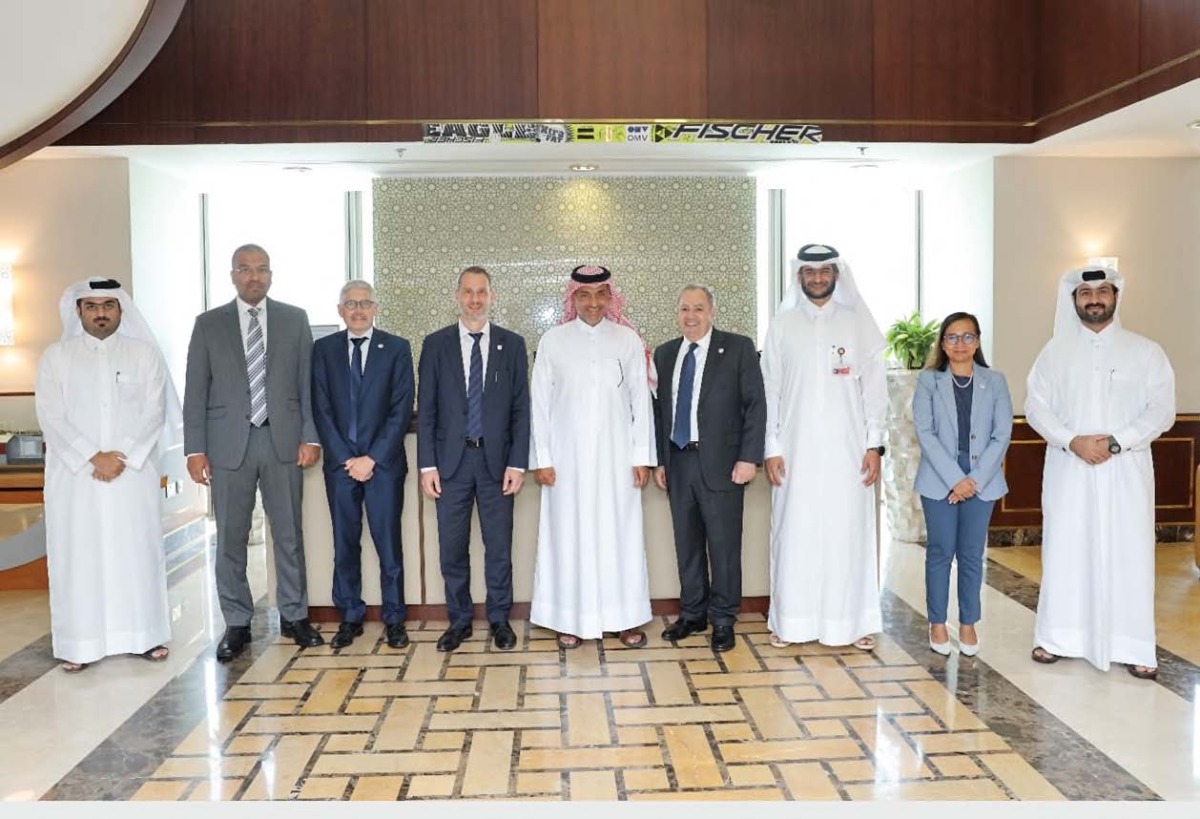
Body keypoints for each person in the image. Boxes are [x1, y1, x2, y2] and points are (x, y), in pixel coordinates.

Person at [1025, 266, 1174, 680]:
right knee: (1066, 550)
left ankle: (1135, 644)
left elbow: (1162, 409)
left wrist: (1114, 442)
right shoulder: (1053, 354)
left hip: (1124, 472)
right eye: (1085, 292)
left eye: (1102, 291)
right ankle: (1058, 636)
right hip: (1069, 469)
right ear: (1073, 300)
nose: (1094, 299)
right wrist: (1073, 440)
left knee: (1130, 554)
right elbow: (1036, 407)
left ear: (1115, 296)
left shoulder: (1146, 352)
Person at [183, 244, 324, 661]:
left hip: (281, 441)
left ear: (271, 274)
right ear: (232, 275)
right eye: (245, 270)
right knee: (230, 537)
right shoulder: (208, 324)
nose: (254, 277)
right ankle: (237, 622)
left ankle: (295, 616)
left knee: (289, 535)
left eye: (261, 269)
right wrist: (195, 449)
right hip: (228, 445)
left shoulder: (294, 320)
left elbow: (307, 385)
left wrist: (310, 437)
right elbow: (196, 391)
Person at [35, 278, 178, 673]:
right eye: (92, 306)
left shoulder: (144, 355)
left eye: (109, 306)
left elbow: (155, 412)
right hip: (75, 477)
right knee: (78, 556)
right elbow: (51, 416)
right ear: (78, 311)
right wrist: (91, 457)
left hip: (131, 475)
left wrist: (123, 457)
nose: (101, 313)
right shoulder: (56, 357)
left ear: (120, 311)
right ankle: (78, 643)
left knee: (134, 552)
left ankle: (144, 636)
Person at [761, 243, 886, 651]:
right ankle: (789, 622)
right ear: (799, 276)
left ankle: (853, 622)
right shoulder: (782, 326)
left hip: (848, 454)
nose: (817, 278)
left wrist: (874, 446)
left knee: (847, 534)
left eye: (824, 271)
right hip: (793, 454)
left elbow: (875, 391)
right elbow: (770, 392)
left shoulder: (857, 324)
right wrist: (771, 447)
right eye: (809, 272)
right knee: (793, 534)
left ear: (836, 274)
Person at [529, 264, 656, 650]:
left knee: (620, 536)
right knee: (568, 536)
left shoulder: (628, 340)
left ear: (610, 297)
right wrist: (544, 458)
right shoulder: (553, 340)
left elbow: (640, 403)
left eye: (601, 294)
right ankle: (569, 619)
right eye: (584, 295)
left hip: (618, 461)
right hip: (566, 463)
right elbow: (540, 404)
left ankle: (625, 618)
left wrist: (641, 456)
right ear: (573, 298)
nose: (593, 303)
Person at [418, 266, 530, 652]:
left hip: (498, 466)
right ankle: (459, 620)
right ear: (457, 296)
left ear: (492, 296)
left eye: (482, 292)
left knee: (499, 548)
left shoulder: (512, 344)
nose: (475, 299)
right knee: (452, 548)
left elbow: (521, 409)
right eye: (468, 292)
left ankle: (499, 619)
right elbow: (428, 410)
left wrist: (518, 463)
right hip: (450, 466)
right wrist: (427, 466)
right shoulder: (436, 345)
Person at [652, 284, 765, 653]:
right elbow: (660, 413)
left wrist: (749, 458)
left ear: (712, 312)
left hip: (724, 465)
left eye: (698, 308)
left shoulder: (738, 348)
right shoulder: (667, 354)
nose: (691, 316)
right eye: (684, 308)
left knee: (724, 546)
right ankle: (693, 613)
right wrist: (660, 461)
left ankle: (723, 619)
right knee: (687, 545)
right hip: (679, 461)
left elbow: (755, 406)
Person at [312, 281, 413, 651]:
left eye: (365, 303)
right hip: (340, 466)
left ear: (376, 308)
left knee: (389, 545)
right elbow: (320, 408)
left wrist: (371, 458)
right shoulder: (323, 350)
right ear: (340, 310)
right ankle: (350, 616)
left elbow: (401, 408)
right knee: (345, 542)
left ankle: (395, 618)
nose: (358, 310)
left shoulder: (397, 349)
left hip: (383, 465)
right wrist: (346, 458)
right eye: (350, 304)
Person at [912, 312, 1012, 657]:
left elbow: (1002, 435)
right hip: (939, 482)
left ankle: (968, 623)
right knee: (940, 552)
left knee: (971, 555)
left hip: (982, 483)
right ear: (942, 343)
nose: (960, 344)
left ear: (978, 341)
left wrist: (974, 480)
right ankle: (937, 622)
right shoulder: (929, 382)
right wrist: (957, 480)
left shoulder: (995, 381)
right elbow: (925, 433)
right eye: (952, 337)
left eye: (967, 337)